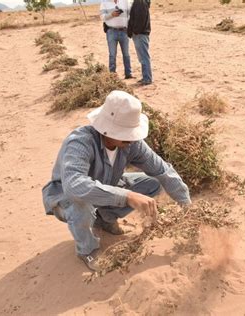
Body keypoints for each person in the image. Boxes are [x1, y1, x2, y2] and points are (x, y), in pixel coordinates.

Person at [42, 91, 191, 271]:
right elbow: (75, 185)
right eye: (125, 133)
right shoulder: (80, 143)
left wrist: (187, 208)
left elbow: (162, 170)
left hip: (107, 184)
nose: (132, 138)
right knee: (81, 203)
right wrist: (126, 195)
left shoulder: (131, 143)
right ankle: (87, 250)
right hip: (65, 197)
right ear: (108, 129)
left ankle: (105, 220)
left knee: (153, 183)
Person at [100, 0, 134, 78]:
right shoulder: (104, 2)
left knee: (126, 54)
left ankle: (128, 73)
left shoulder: (125, 1)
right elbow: (102, 17)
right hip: (111, 31)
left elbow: (130, 14)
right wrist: (111, 15)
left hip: (124, 31)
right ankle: (112, 75)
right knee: (112, 54)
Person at [127, 0, 152, 85]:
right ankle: (145, 77)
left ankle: (147, 78)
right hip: (141, 33)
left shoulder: (140, 2)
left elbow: (140, 19)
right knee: (142, 57)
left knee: (144, 57)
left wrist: (135, 31)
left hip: (140, 34)